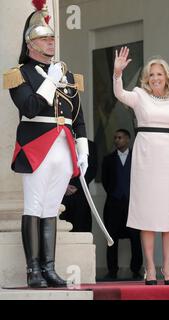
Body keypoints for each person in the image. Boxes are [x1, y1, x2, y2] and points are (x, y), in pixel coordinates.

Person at [3, 3, 88, 288]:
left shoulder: (65, 73)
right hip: (37, 147)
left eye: (52, 38)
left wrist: (83, 145)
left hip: (63, 147)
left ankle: (49, 268)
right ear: (31, 44)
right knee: (35, 205)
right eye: (44, 38)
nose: (51, 42)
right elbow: (28, 107)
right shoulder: (20, 74)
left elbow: (77, 113)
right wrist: (49, 83)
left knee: (51, 207)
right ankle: (33, 270)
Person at [113, 47, 169, 285]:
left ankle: (167, 267)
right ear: (147, 78)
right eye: (151, 74)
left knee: (168, 218)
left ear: (167, 78)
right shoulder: (139, 95)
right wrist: (117, 73)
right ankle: (150, 268)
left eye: (159, 74)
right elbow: (119, 94)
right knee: (147, 215)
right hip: (145, 160)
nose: (155, 78)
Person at [101, 129, 143, 280]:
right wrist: (115, 194)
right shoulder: (108, 159)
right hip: (113, 205)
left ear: (127, 139)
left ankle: (136, 269)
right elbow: (106, 182)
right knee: (111, 238)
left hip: (133, 205)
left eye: (119, 137)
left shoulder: (137, 158)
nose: (116, 140)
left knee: (136, 238)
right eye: (115, 138)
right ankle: (112, 270)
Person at [61, 140, 97, 232]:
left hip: (81, 193)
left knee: (81, 227)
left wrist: (77, 185)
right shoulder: (58, 142)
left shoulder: (90, 145)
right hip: (60, 193)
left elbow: (92, 169)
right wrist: (63, 186)